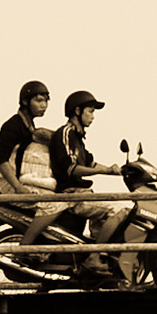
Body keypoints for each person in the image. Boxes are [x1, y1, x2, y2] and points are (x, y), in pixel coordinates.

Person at [22, 91, 126, 270]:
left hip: (82, 193)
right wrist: (103, 170)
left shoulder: (77, 137)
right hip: (72, 195)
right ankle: (94, 258)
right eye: (90, 111)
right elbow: (71, 169)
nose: (93, 117)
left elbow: (90, 162)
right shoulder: (65, 134)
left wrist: (115, 171)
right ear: (77, 111)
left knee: (106, 215)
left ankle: (103, 260)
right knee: (118, 211)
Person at [0, 80, 49, 196]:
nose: (44, 105)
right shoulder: (12, 126)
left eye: (45, 101)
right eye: (39, 100)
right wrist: (18, 187)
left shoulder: (28, 126)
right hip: (10, 185)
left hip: (24, 182)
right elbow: (2, 161)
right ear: (25, 101)